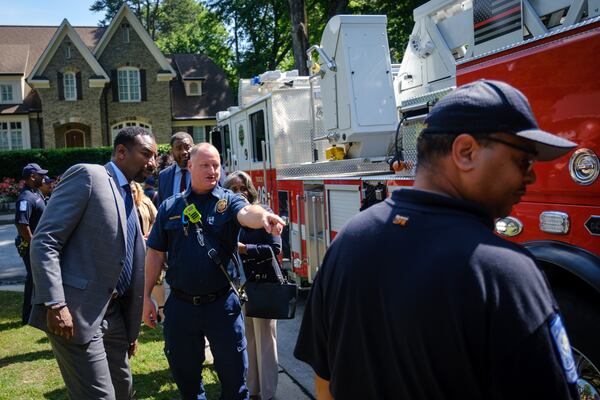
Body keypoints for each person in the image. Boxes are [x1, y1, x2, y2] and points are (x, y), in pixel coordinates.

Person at [294, 80, 580, 400]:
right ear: (465, 152)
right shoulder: (506, 273)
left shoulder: (349, 241)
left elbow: (324, 383)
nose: (531, 176)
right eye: (523, 160)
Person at [143, 143, 285, 400]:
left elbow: (246, 212)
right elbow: (154, 253)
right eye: (205, 165)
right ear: (190, 167)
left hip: (222, 307)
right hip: (181, 308)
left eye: (216, 165)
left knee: (234, 382)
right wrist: (145, 296)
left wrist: (262, 216)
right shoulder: (170, 207)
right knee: (187, 383)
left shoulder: (228, 200)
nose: (212, 170)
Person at [29, 126, 158, 399]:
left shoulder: (129, 194)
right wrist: (56, 304)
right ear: (121, 152)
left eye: (155, 156)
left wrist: (129, 328)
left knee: (124, 392)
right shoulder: (89, 175)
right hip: (75, 314)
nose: (153, 163)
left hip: (114, 317)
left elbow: (127, 262)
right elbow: (45, 241)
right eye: (146, 154)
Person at [223, 171, 281, 400]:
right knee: (247, 338)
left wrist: (245, 249)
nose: (240, 193)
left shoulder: (264, 213)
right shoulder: (227, 217)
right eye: (234, 190)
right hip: (237, 287)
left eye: (243, 188)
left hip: (263, 284)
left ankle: (268, 394)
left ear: (250, 189)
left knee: (266, 339)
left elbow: (274, 250)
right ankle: (252, 390)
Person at [14, 162, 47, 325]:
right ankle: (27, 316)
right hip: (31, 246)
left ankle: (37, 312)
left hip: (38, 244)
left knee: (37, 278)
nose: (44, 177)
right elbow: (21, 224)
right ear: (32, 176)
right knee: (33, 278)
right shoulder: (25, 198)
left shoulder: (36, 193)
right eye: (41, 174)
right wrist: (34, 244)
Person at [158, 131, 194, 203]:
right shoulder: (163, 176)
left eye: (187, 147)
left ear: (194, 147)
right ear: (172, 152)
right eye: (179, 148)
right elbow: (161, 206)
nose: (184, 152)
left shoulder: (204, 171)